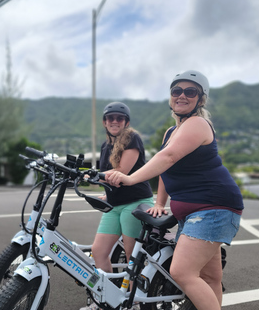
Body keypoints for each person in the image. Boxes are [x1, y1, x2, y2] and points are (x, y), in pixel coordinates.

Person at [105, 70, 244, 310]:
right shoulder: (171, 132)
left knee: (183, 272)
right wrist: (159, 203)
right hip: (193, 213)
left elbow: (168, 157)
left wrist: (129, 178)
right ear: (170, 97)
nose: (182, 95)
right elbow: (166, 170)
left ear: (200, 99)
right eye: (176, 91)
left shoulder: (198, 124)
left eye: (190, 92)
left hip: (213, 207)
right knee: (210, 278)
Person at [80, 102, 154, 310]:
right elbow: (105, 176)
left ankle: (134, 300)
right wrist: (90, 177)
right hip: (114, 205)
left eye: (119, 118)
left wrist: (92, 176)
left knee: (133, 257)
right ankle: (108, 296)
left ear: (126, 122)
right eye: (110, 118)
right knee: (99, 251)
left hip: (135, 203)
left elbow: (121, 172)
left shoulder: (132, 138)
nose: (114, 121)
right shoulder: (105, 146)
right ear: (104, 122)